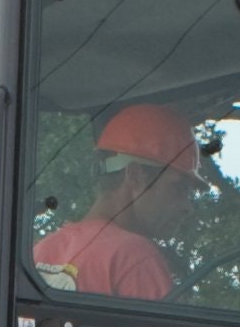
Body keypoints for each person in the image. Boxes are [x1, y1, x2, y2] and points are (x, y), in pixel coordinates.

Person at [30, 103, 196, 299]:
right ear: (134, 176)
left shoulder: (41, 252)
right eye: (178, 188)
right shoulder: (135, 257)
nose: (187, 207)